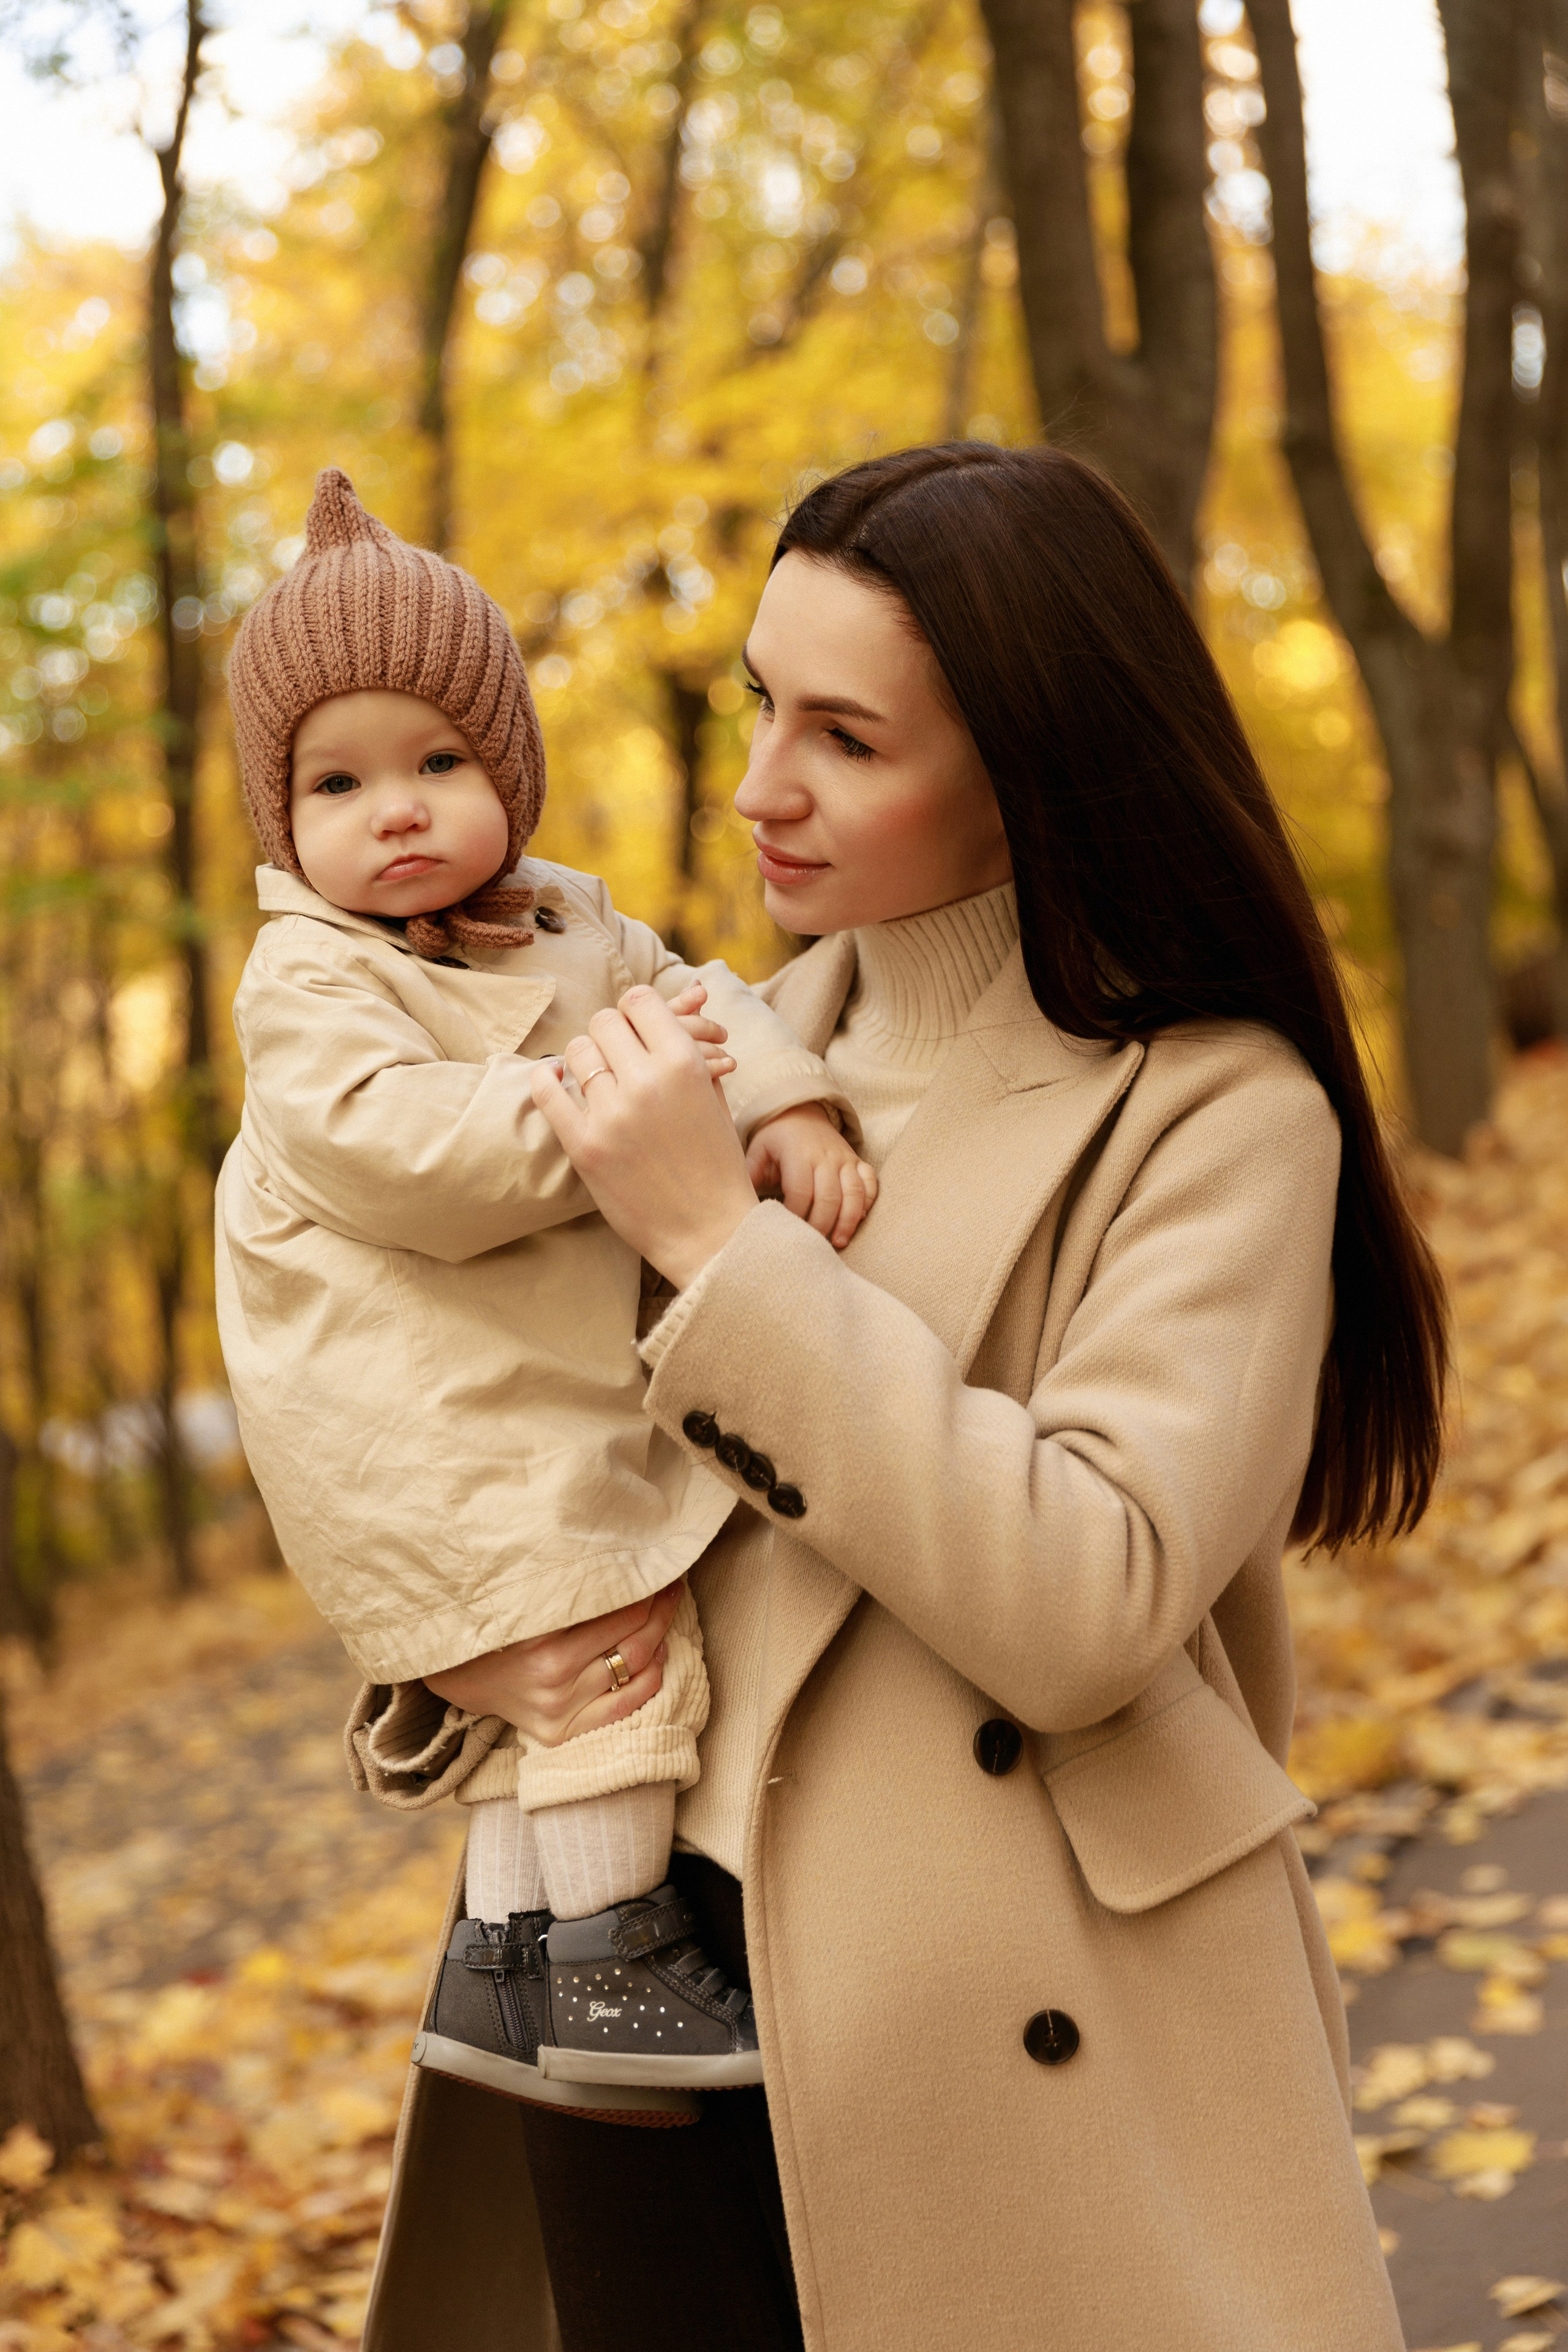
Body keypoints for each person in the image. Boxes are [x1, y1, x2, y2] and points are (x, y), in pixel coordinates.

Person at [359, 442, 1447, 2352]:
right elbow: (491, 1440)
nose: (761, 782)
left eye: (848, 737)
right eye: (765, 700)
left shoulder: (1210, 1112)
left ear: (1036, 765)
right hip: (629, 1988)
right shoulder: (723, 1039)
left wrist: (725, 1249)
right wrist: (459, 1663)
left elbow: (1094, 1600)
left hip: (1019, 2047)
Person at [215, 469, 878, 2122]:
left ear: (507, 769)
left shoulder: (569, 917)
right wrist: (616, 1106)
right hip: (413, 1413)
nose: (400, 810)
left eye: (442, 761)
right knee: (604, 1635)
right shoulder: (310, 975)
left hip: (529, 1381)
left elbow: (707, 998)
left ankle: (505, 1966)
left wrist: (784, 1096)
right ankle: (611, 1959)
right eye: (341, 780)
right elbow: (397, 1156)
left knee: (566, 1666)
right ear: (279, 817)